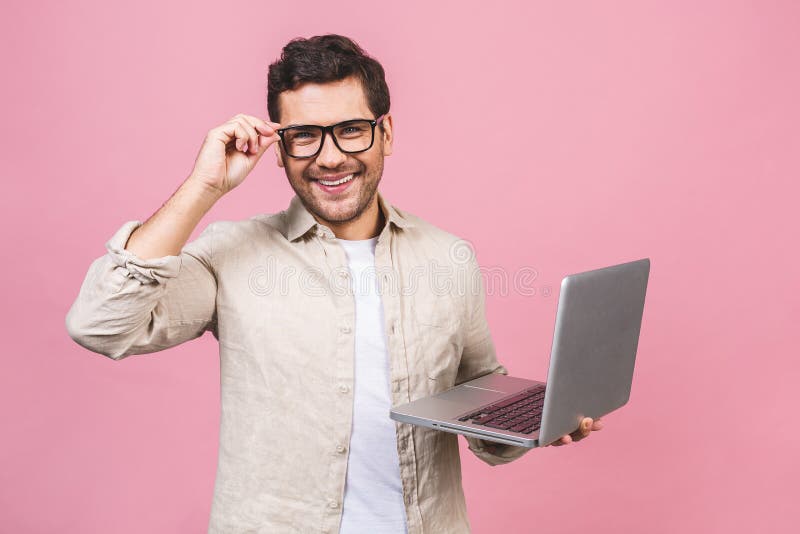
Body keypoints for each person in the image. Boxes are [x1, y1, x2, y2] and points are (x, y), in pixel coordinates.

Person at [65, 34, 603, 534]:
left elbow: (480, 396)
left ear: (385, 133)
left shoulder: (448, 256)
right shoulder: (229, 254)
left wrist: (535, 420)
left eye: (350, 129)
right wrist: (204, 187)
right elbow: (102, 325)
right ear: (280, 148)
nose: (329, 157)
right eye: (304, 136)